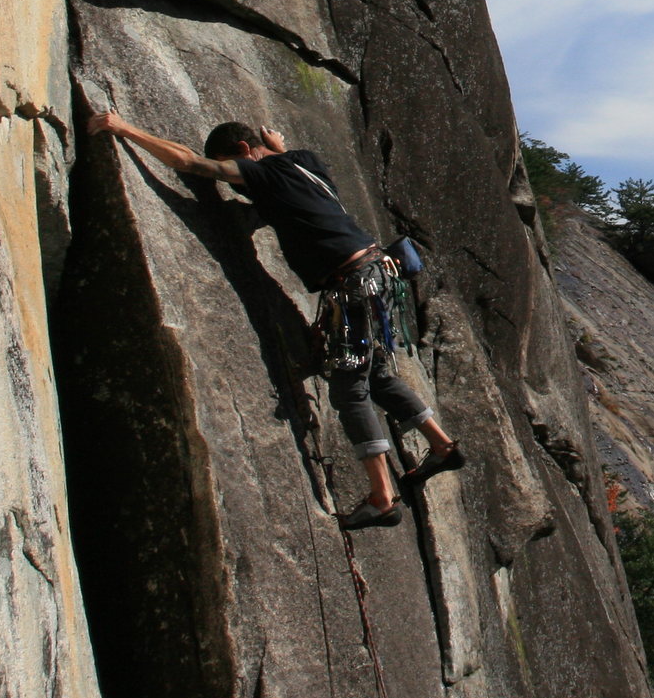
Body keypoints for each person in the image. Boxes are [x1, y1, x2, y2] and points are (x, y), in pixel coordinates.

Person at [87, 111, 466, 529]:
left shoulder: (260, 172)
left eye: (239, 169)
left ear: (245, 154)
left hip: (353, 283)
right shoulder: (305, 161)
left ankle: (381, 497)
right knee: (375, 374)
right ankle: (442, 447)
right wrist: (278, 144)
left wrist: (125, 128)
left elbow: (191, 163)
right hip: (378, 274)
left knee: (348, 389)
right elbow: (288, 165)